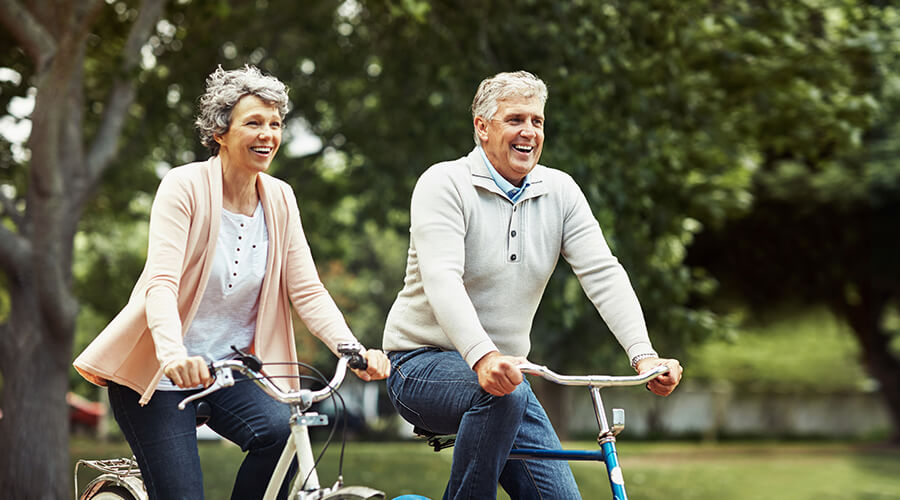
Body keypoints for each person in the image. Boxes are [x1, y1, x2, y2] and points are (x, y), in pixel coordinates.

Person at [74, 65, 390, 500]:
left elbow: (308, 290)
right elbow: (160, 284)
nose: (268, 135)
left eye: (275, 124)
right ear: (221, 132)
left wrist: (352, 350)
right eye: (254, 123)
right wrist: (173, 356)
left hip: (232, 371)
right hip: (161, 376)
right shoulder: (183, 186)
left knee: (283, 436)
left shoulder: (280, 198)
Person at [382, 70, 683, 499]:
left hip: (508, 379)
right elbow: (442, 280)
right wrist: (483, 357)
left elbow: (602, 272)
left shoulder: (560, 191)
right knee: (504, 395)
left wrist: (644, 355)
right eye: (515, 120)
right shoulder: (443, 183)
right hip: (420, 365)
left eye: (537, 121)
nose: (529, 132)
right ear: (482, 127)